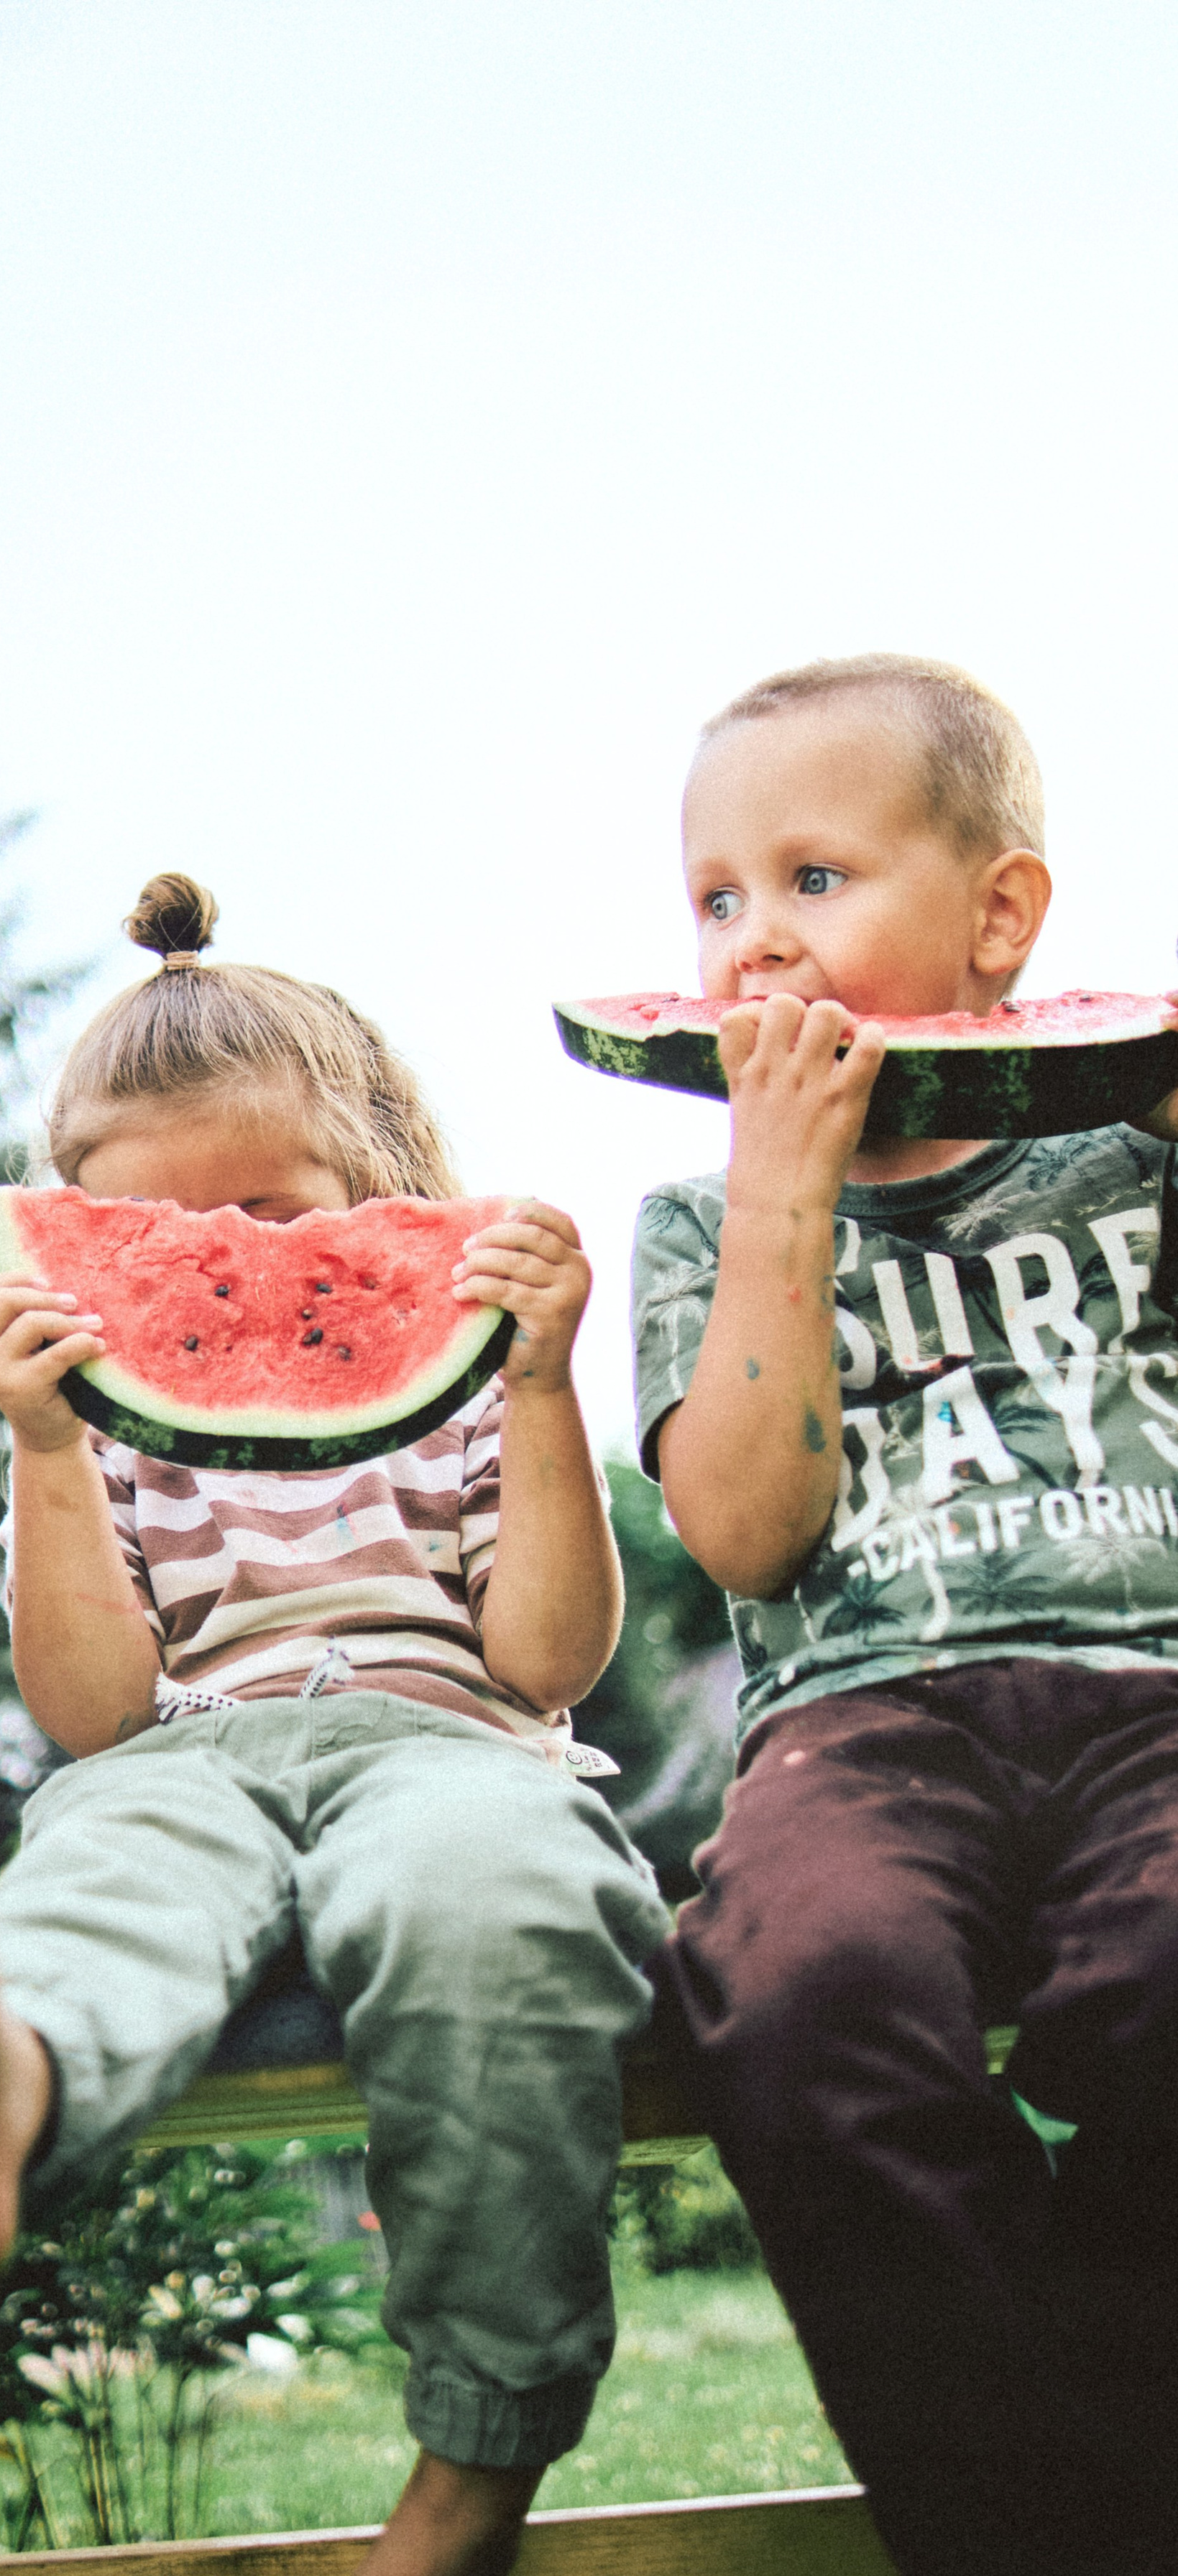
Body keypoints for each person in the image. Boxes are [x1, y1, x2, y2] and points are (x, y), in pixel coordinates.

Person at [0, 874, 668, 2576]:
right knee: (100, 1887)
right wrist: (45, 1450)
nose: (227, 1270)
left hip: (448, 1742)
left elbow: (545, 1659)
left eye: (267, 1210)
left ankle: (479, 2442)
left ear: (381, 1187)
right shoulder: (96, 1432)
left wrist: (542, 1382)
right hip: (182, 1752)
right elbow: (93, 1712)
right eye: (165, 1239)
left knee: (488, 1902)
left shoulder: (471, 1376)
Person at [632, 652, 1178, 2576]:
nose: (751, 945)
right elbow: (750, 1535)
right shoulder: (699, 1226)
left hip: (1156, 1693)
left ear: (1000, 917)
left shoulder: (1138, 1153)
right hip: (857, 1725)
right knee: (799, 1999)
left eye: (814, 880)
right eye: (714, 900)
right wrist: (778, 1207)